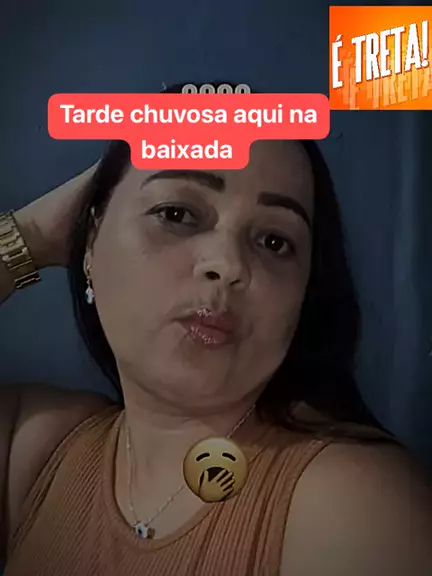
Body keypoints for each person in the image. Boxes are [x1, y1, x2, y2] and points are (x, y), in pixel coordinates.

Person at [0, 82, 431, 576]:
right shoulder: (36, 450)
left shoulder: (354, 508)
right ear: (91, 245)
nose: (228, 265)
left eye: (274, 241)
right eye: (176, 214)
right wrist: (30, 236)